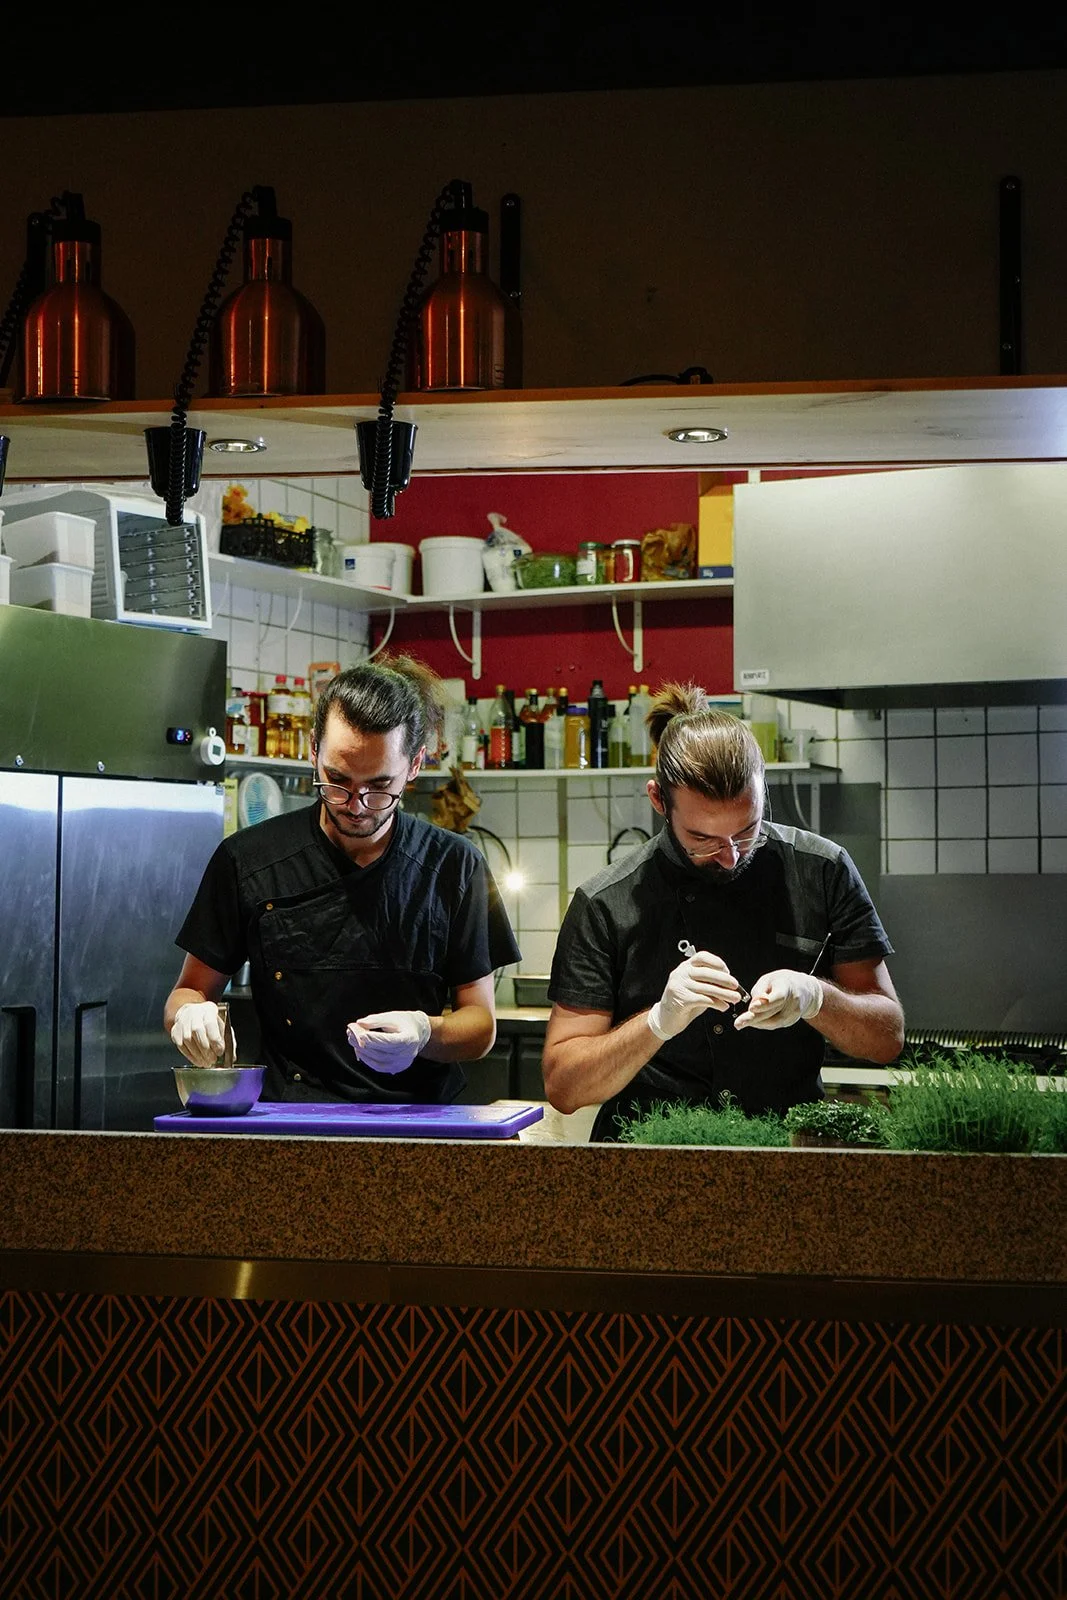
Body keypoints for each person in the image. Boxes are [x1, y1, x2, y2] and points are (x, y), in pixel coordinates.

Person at [542, 684, 904, 1141]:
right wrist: (658, 1022)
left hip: (781, 1154)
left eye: (747, 830)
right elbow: (564, 1086)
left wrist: (816, 997)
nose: (731, 855)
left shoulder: (823, 871)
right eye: (704, 840)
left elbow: (887, 1037)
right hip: (645, 1160)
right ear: (659, 801)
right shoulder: (605, 903)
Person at [165, 654, 520, 1103]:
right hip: (291, 1122)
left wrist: (424, 1032)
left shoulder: (455, 866)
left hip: (417, 1124)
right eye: (337, 780)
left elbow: (481, 1027)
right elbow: (188, 991)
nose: (354, 804)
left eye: (378, 786)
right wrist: (191, 1015)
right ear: (313, 751)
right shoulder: (248, 859)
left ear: (414, 765)